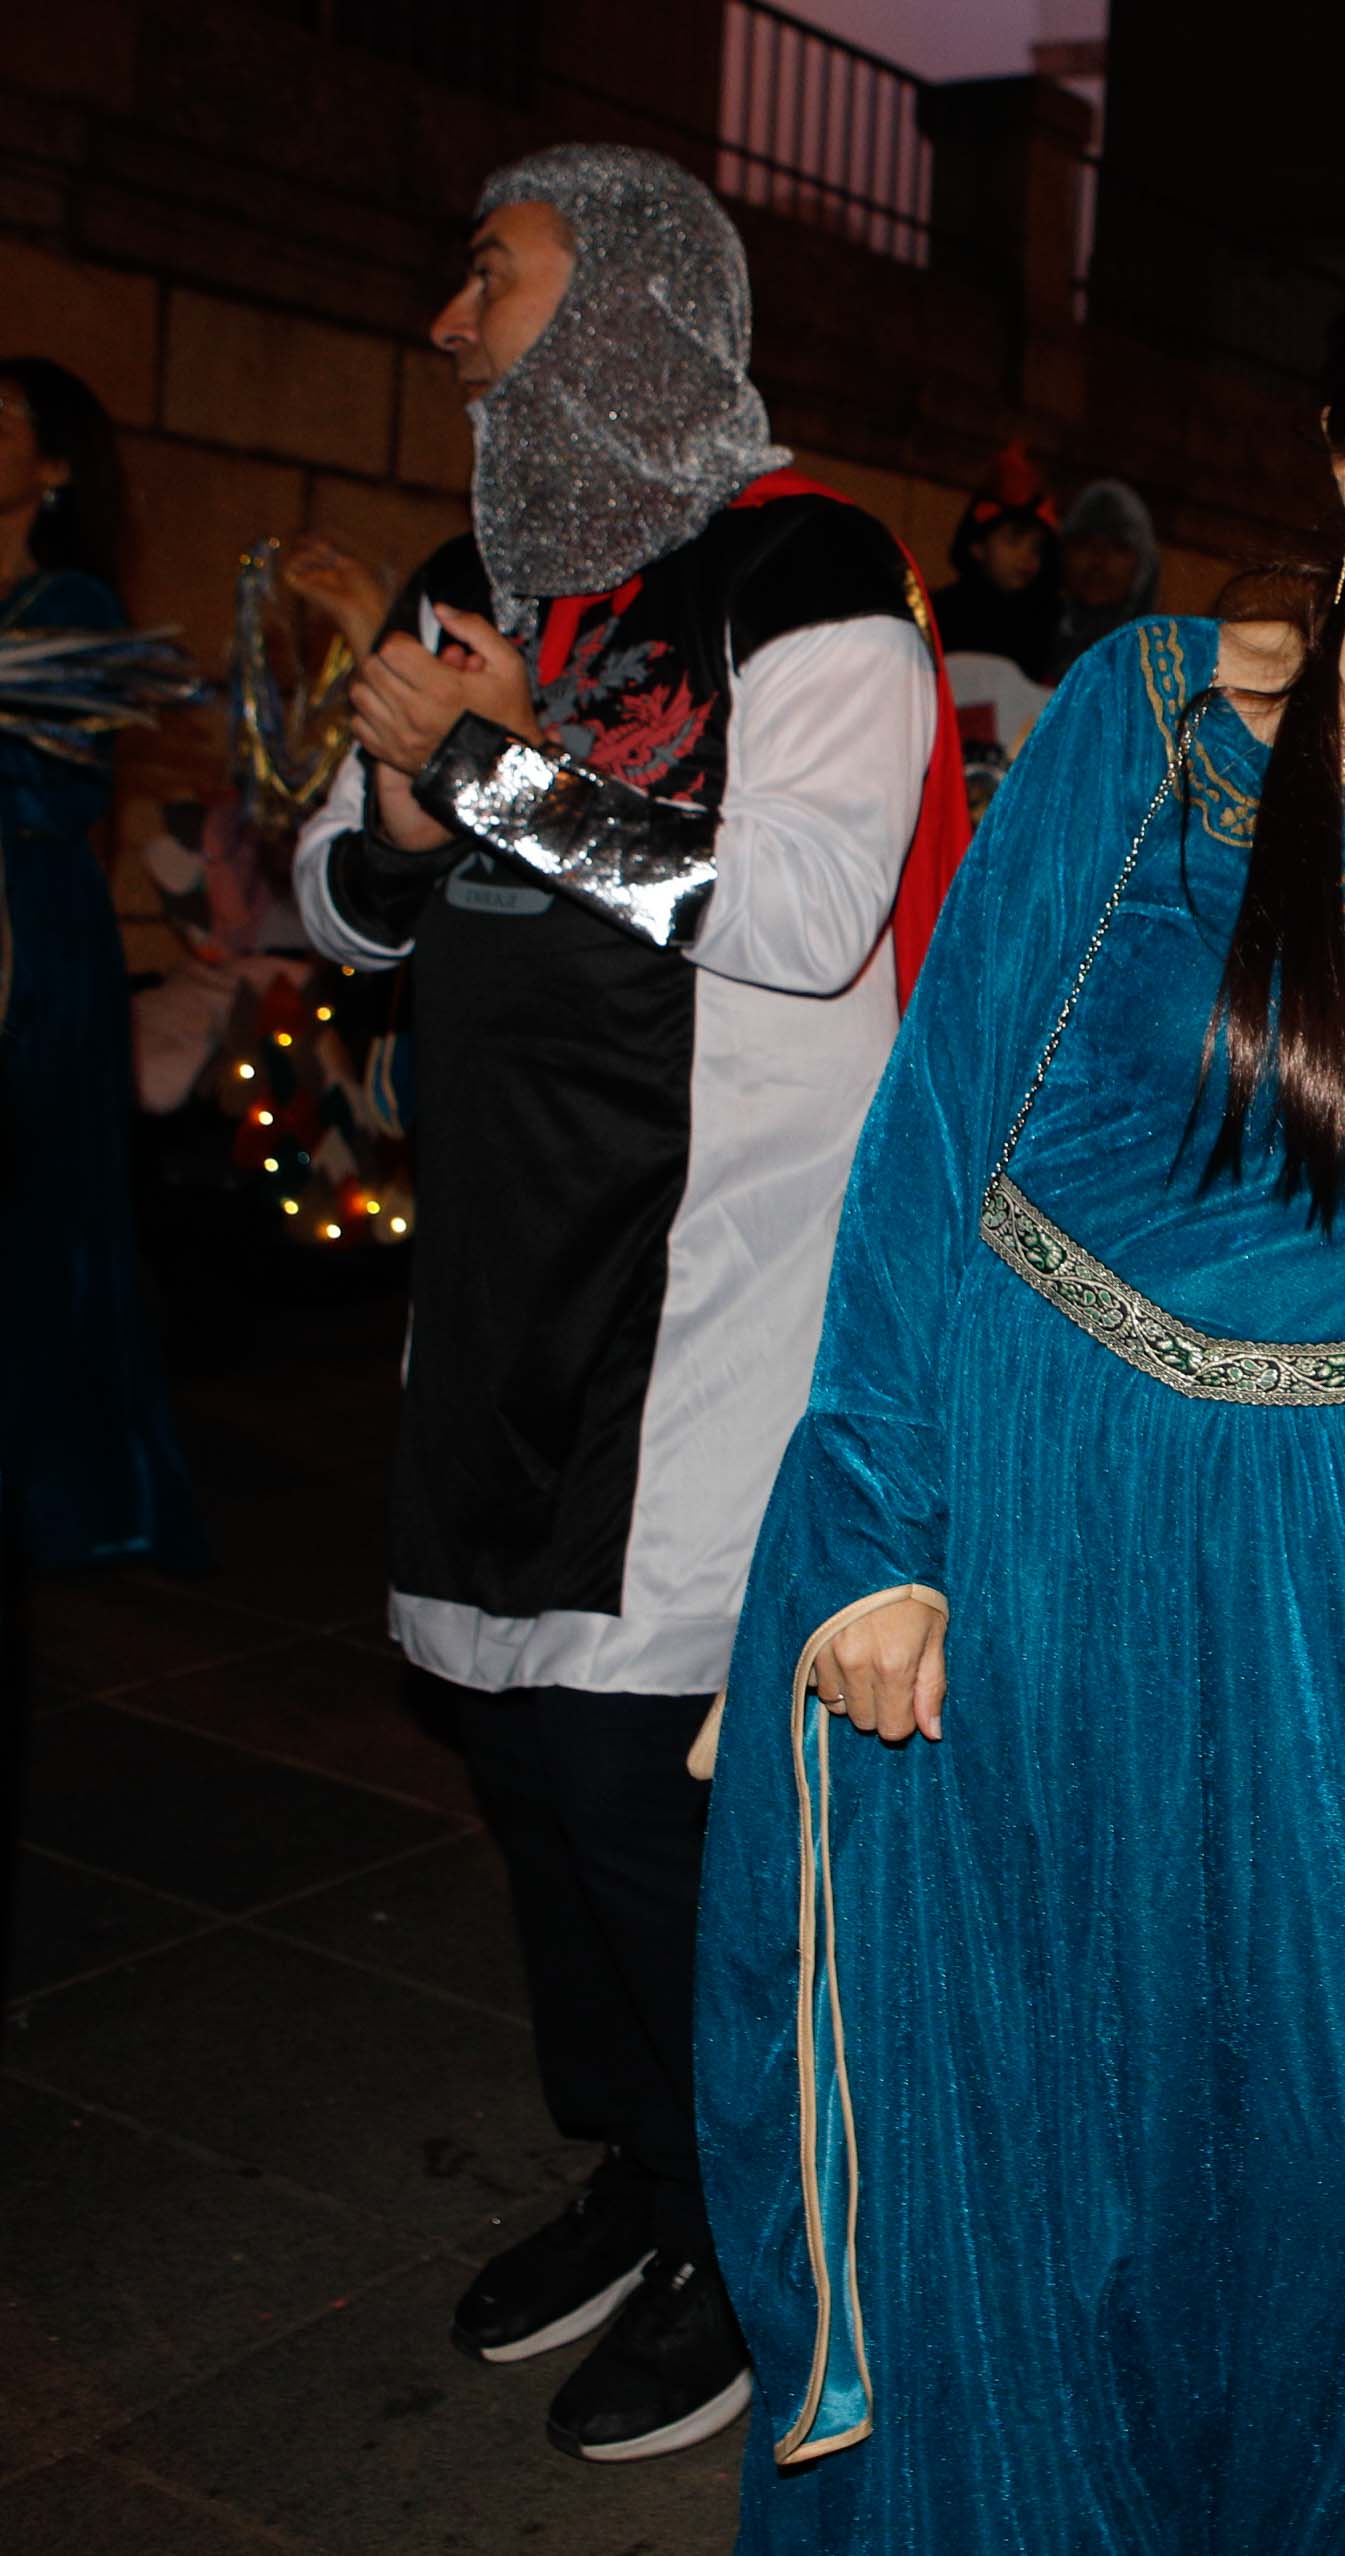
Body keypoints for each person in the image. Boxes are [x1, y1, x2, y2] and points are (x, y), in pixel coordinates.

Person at [692, 219, 1345, 2553]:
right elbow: (936, 1125)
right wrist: (876, 1527)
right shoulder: (1154, 717)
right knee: (1034, 2164)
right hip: (1035, 1509)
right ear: (1338, 463)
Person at [290, 144, 960, 2465]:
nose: (451, 318)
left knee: (636, 1782)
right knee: (515, 1759)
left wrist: (474, 769)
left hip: (711, 1288)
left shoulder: (811, 569)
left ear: (628, 313)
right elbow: (349, 902)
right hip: (498, 1272)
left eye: (494, 273)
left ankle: (738, 2219)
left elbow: (792, 913)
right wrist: (394, 814)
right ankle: (624, 2161)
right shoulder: (480, 568)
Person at [0, 356, 208, 1574]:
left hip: (28, 932)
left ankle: (66, 1480)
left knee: (38, 1203)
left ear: (56, 465)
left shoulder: (68, 608)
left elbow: (66, 778)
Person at [932, 443, 1062, 683]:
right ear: (977, 546)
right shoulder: (941, 614)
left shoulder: (1048, 624)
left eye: (1037, 549)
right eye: (1013, 542)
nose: (1027, 557)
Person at [1050, 472, 1159, 674]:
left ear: (1143, 566)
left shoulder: (1155, 666)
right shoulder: (1022, 637)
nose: (1098, 560)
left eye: (1118, 547)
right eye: (1084, 544)